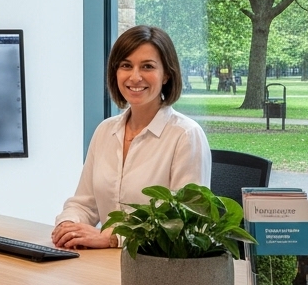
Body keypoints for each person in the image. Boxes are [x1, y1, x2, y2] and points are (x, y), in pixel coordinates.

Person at [51, 25, 211, 250]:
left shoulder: (186, 135)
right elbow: (84, 204)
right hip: (104, 265)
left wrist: (113, 237)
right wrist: (68, 225)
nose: (135, 77)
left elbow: (185, 225)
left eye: (147, 66)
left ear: (166, 74)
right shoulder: (105, 131)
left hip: (156, 270)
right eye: (126, 65)